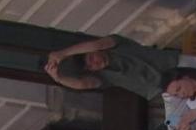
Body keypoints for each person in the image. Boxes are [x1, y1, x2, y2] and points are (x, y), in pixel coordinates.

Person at [44, 35, 182, 99]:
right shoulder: (105, 78)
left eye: (91, 58)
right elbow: (83, 84)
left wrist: (63, 53)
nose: (94, 64)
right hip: (165, 90)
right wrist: (59, 78)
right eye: (90, 66)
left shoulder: (116, 45)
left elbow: (97, 44)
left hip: (173, 63)